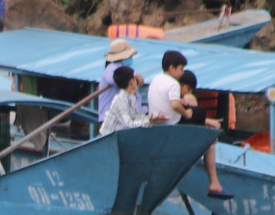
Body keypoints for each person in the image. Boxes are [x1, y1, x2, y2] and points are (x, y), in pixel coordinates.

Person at [147, 48, 232, 197]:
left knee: (196, 113)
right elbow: (174, 105)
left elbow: (169, 102)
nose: (182, 73)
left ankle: (207, 133)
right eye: (180, 69)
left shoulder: (156, 79)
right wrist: (186, 112)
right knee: (204, 125)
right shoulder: (173, 83)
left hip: (159, 125)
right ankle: (214, 183)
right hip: (172, 127)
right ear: (172, 68)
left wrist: (182, 104)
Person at [99, 64, 146, 135]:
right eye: (135, 79)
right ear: (131, 82)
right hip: (107, 139)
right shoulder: (120, 99)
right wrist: (148, 121)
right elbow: (129, 124)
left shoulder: (131, 97)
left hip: (117, 136)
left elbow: (136, 116)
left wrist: (151, 119)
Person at [93, 38, 134, 118]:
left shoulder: (127, 69)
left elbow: (140, 80)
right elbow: (113, 80)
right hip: (108, 116)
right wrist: (130, 78)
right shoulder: (111, 68)